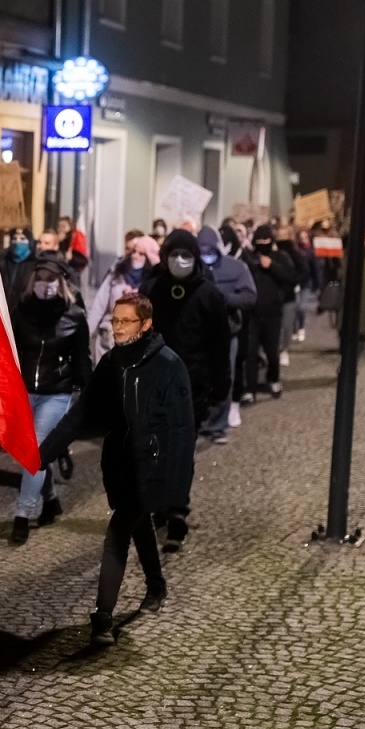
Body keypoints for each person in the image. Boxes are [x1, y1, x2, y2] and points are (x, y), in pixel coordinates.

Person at [37, 295, 194, 646]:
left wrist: (177, 492)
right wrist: (43, 452)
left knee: (118, 532)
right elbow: (81, 415)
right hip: (120, 465)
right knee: (137, 525)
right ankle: (156, 586)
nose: (118, 328)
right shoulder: (110, 364)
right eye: (115, 321)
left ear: (146, 324)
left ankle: (103, 616)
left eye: (126, 321)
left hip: (150, 468)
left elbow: (183, 431)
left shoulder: (169, 365)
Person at [141, 230, 229, 548]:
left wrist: (222, 387)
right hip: (155, 385)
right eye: (175, 254)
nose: (181, 261)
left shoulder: (210, 296)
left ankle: (176, 510)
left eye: (187, 256)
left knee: (181, 448)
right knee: (158, 449)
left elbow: (220, 345)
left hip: (193, 386)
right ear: (165, 257)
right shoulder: (151, 290)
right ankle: (162, 505)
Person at [10, 255, 90, 544]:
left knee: (35, 454)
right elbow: (12, 351)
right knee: (31, 452)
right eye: (40, 278)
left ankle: (22, 513)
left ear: (61, 282)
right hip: (24, 392)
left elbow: (83, 359)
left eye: (51, 279)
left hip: (57, 392)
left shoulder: (75, 315)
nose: (45, 284)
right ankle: (51, 500)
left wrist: (88, 398)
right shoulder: (22, 311)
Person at [196, 226, 257, 442]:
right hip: (197, 335)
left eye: (209, 249)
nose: (206, 253)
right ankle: (198, 422)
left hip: (226, 334)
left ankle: (217, 426)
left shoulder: (236, 268)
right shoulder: (191, 268)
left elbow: (250, 296)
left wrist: (224, 299)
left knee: (224, 379)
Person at [244, 224, 299, 400]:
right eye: (259, 242)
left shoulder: (280, 257)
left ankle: (273, 379)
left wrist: (272, 266)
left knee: (272, 352)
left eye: (265, 241)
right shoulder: (250, 258)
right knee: (250, 353)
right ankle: (250, 389)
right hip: (252, 314)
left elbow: (291, 277)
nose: (262, 245)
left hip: (273, 314)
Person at [87, 231, 158, 363]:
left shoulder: (152, 284)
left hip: (136, 346)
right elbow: (99, 304)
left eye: (141, 254)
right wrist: (85, 335)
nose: (135, 256)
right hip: (107, 341)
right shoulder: (116, 273)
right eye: (134, 252)